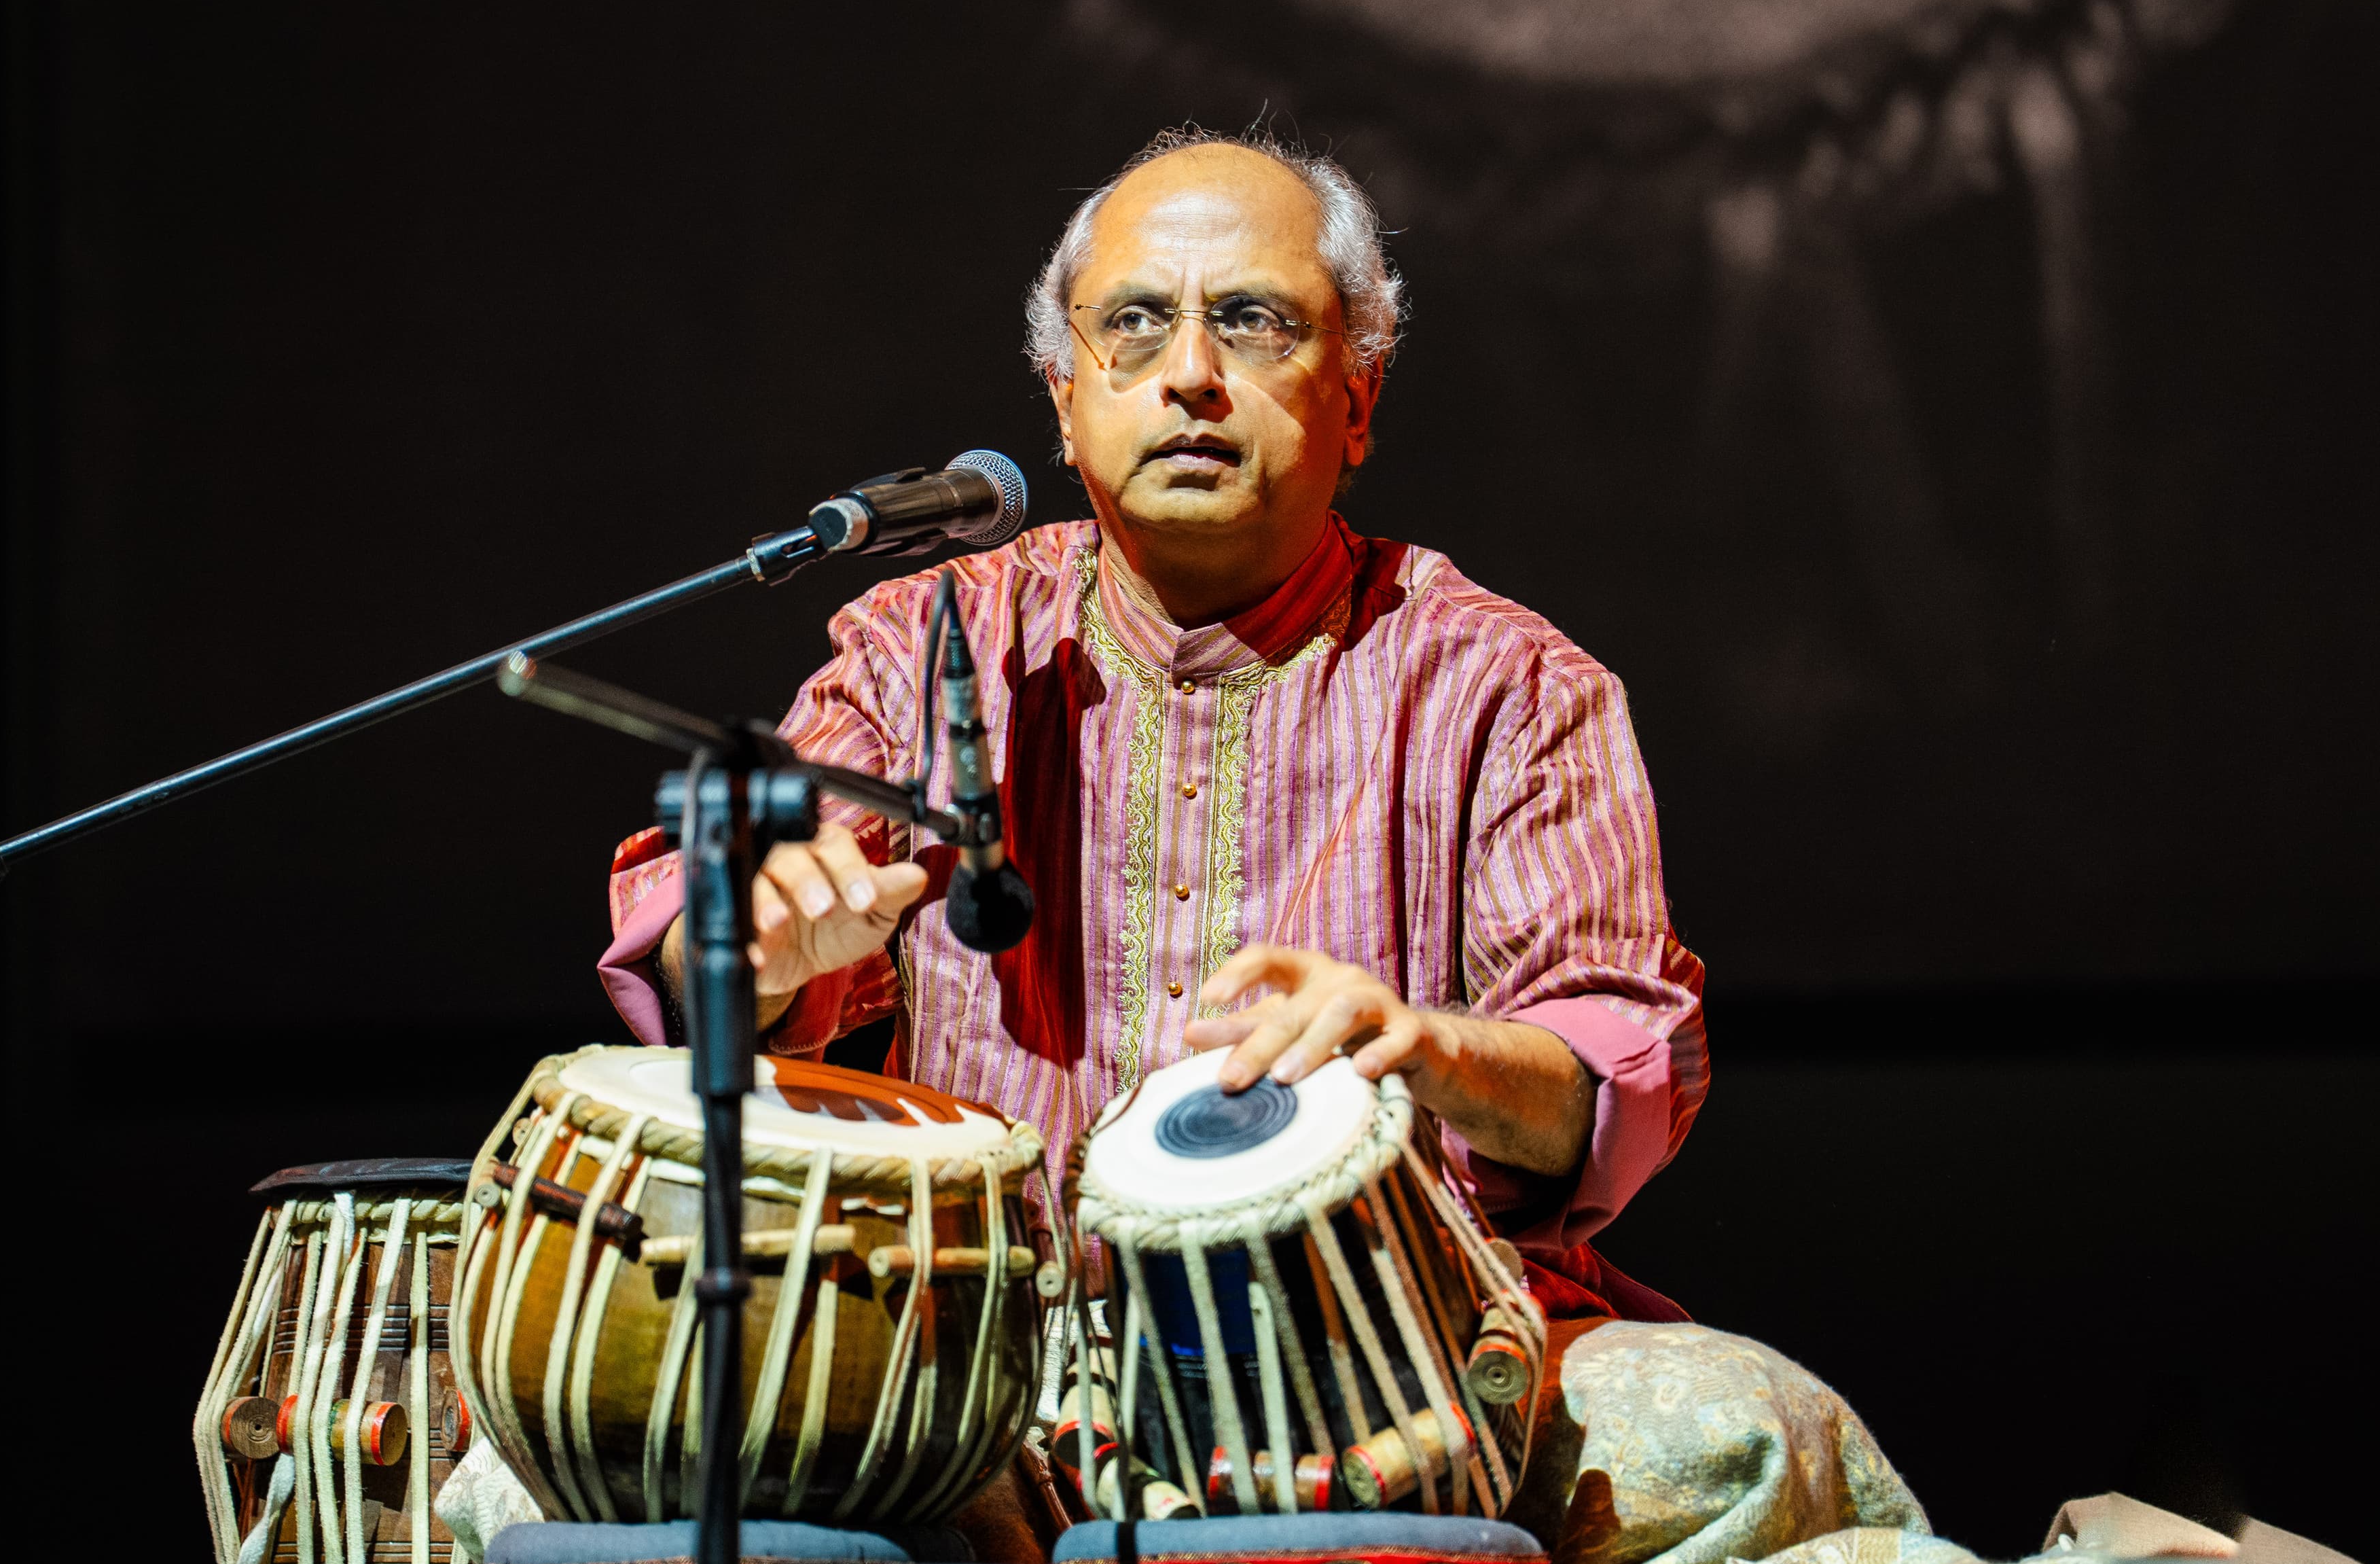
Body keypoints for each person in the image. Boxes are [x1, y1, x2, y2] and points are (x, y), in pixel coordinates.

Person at [597, 124, 1705, 1322]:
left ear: (1359, 397)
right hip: (975, 1356)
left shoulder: (1509, 685)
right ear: (1067, 407)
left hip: (1384, 1344)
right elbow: (696, 943)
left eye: (1252, 322)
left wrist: (1421, 1048)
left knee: (1744, 1428)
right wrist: (751, 945)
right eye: (1132, 324)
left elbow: (1612, 1074)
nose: (1189, 374)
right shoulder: (924, 645)